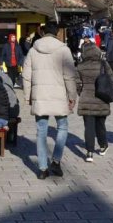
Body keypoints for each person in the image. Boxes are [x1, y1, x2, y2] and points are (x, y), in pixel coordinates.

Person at [22, 23, 77, 179]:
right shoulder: (63, 50)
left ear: (43, 33)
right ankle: (56, 161)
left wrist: (28, 96)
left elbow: (26, 76)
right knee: (63, 127)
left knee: (41, 131)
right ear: (57, 33)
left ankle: (42, 169)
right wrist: (72, 96)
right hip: (59, 96)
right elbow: (69, 76)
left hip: (40, 96)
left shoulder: (33, 50)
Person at [76, 42, 113, 162]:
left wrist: (81, 92)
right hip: (102, 98)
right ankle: (103, 145)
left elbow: (76, 83)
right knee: (100, 125)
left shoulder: (80, 66)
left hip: (86, 99)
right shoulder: (103, 64)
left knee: (89, 127)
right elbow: (112, 79)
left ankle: (89, 152)